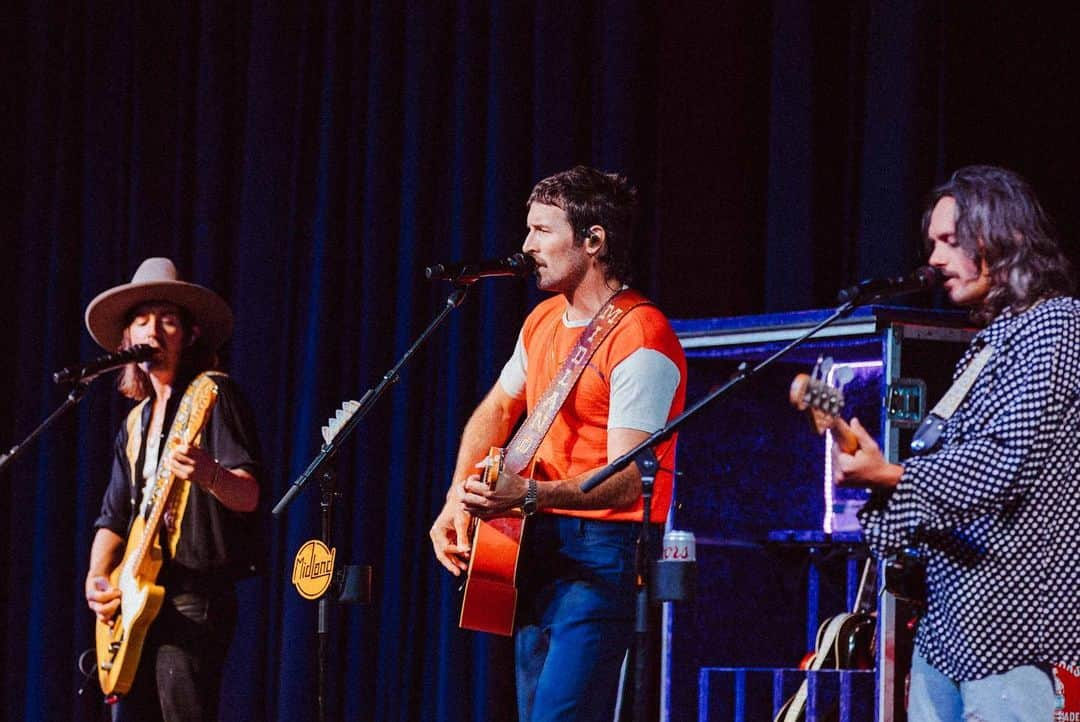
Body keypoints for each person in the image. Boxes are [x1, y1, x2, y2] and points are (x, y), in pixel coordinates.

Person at [429, 166, 687, 721]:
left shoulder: (641, 336)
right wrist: (456, 495)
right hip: (536, 538)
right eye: (528, 230)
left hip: (602, 551)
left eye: (542, 231)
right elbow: (498, 407)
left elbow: (623, 478)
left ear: (594, 241)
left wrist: (528, 496)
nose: (525, 247)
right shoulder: (543, 319)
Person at [833, 165, 1080, 721]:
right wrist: (872, 478)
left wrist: (891, 476)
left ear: (1006, 237)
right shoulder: (988, 345)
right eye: (932, 244)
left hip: (1015, 628)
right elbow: (943, 480)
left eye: (951, 240)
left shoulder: (1057, 325)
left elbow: (1005, 461)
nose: (936, 259)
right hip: (950, 627)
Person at [83, 258, 262, 722]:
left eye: (166, 319)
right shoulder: (136, 421)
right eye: (141, 321)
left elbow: (251, 495)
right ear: (127, 340)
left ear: (191, 333)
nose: (152, 331)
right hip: (135, 596)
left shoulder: (214, 395)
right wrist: (97, 579)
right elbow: (113, 515)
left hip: (194, 598)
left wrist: (209, 474)